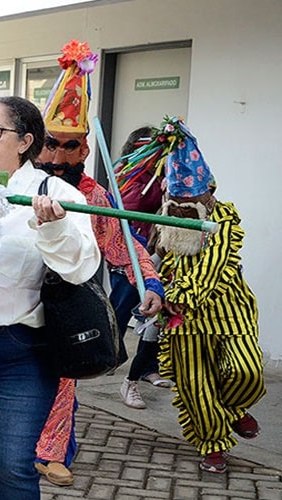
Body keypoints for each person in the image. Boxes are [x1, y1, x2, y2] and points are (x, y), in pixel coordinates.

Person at [32, 40, 165, 487]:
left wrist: (149, 283)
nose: (60, 157)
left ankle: (52, 450)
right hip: (13, 299)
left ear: (85, 149)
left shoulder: (94, 198)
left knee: (64, 375)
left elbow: (124, 246)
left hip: (68, 300)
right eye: (52, 144)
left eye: (71, 147)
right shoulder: (13, 182)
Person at [0, 96, 99, 499]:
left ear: (24, 142)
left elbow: (81, 267)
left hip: (22, 348)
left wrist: (52, 228)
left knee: (10, 462)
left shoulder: (56, 193)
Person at [152, 116, 265, 474]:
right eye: (177, 202)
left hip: (230, 312)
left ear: (210, 193)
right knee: (195, 387)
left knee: (246, 371)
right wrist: (149, 281)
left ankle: (233, 408)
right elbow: (151, 258)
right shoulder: (165, 217)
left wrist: (182, 293)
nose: (183, 211)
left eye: (191, 203)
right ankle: (213, 444)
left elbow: (212, 265)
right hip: (182, 320)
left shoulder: (226, 219)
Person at [112, 126, 174, 408]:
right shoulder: (129, 176)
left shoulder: (164, 175)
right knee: (121, 308)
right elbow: (127, 209)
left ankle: (147, 368)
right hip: (129, 255)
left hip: (157, 253)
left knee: (154, 314)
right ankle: (108, 355)